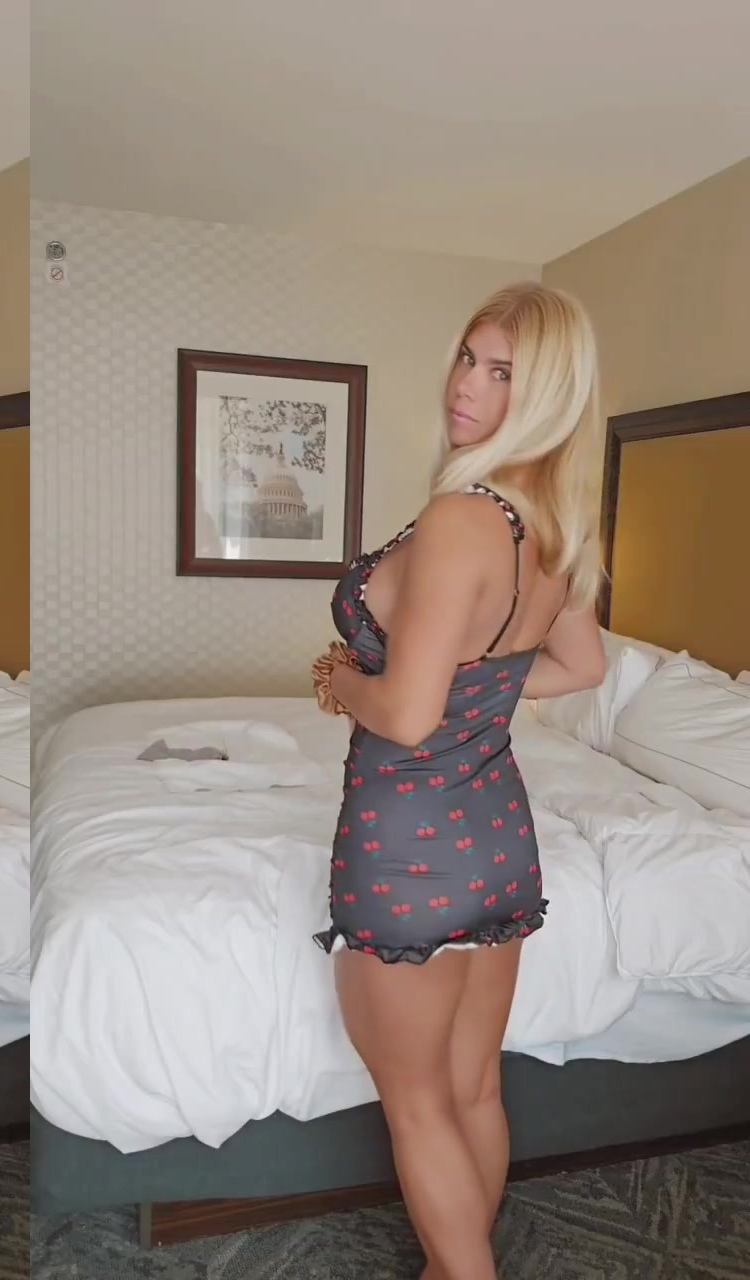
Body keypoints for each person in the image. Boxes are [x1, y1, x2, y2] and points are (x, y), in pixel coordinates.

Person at [312, 281, 609, 1280]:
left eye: (503, 372)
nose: (467, 384)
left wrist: (341, 680)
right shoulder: (553, 529)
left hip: (407, 842)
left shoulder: (460, 518)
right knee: (475, 1085)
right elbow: (582, 666)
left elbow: (405, 713)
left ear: (549, 394)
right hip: (498, 832)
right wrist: (481, 688)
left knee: (416, 1102)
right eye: (468, 358)